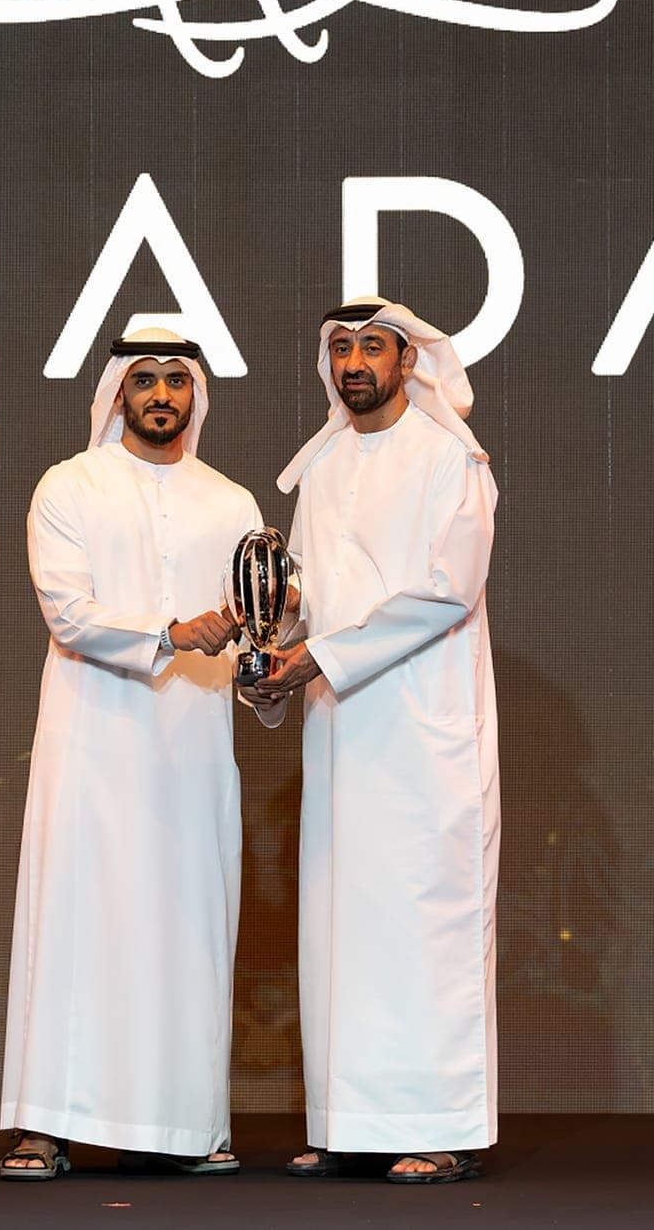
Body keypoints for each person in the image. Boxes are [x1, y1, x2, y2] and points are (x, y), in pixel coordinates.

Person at [245, 297, 501, 1185]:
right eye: (342, 349)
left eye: (373, 347)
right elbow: (310, 600)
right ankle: (347, 1122)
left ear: (407, 360)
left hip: (424, 731)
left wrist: (318, 653)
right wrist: (278, 657)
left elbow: (445, 590)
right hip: (342, 730)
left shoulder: (449, 459)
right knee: (340, 925)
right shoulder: (319, 469)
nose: (356, 362)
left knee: (423, 923)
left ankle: (438, 1126)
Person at [0, 327, 262, 1181]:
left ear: (196, 395)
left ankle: (185, 1124)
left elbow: (256, 621)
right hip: (91, 744)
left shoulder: (232, 503)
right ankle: (47, 1125)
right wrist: (168, 633)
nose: (160, 395)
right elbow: (67, 612)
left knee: (187, 928)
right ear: (118, 391)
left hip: (191, 750)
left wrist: (263, 669)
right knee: (76, 925)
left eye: (175, 380)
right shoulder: (68, 486)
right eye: (143, 379)